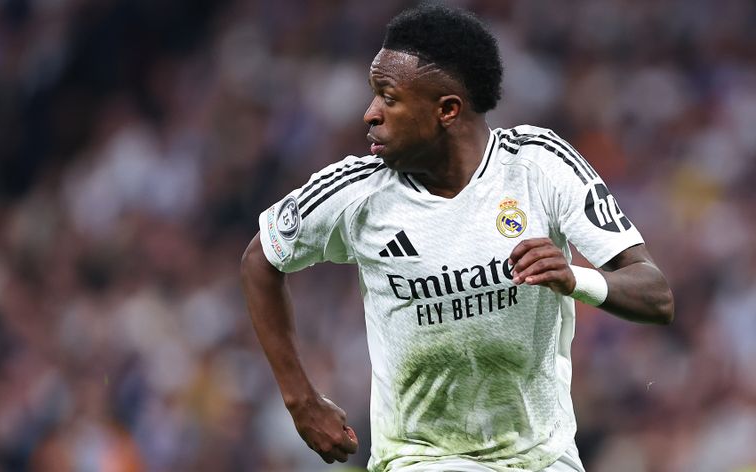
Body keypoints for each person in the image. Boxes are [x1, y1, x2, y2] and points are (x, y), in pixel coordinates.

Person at [241, 4, 674, 471]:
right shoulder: (357, 192)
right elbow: (260, 260)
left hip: (542, 458)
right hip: (421, 457)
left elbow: (656, 296)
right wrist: (300, 399)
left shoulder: (539, 166)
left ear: (447, 110)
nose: (369, 114)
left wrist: (575, 279)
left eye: (388, 98)